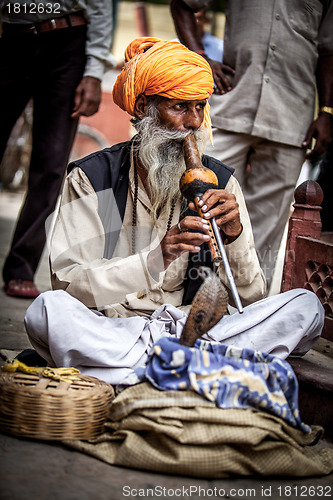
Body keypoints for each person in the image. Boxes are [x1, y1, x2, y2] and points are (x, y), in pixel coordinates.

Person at [24, 38, 324, 385]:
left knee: (305, 306)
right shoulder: (96, 178)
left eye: (200, 107)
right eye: (180, 106)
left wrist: (234, 236)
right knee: (47, 311)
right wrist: (155, 260)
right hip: (115, 327)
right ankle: (196, 372)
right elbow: (69, 285)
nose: (193, 122)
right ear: (141, 107)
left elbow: (251, 298)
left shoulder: (220, 183)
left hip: (195, 332)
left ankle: (141, 372)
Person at [170, 0, 333, 288]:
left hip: (292, 117)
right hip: (230, 106)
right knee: (199, 206)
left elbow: (329, 50)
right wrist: (199, 57)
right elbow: (183, 4)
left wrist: (328, 111)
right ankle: (187, 300)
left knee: (265, 230)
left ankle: (248, 310)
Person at [0, 0, 113, 298]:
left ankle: (21, 267)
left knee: (50, 166)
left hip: (66, 43)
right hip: (10, 36)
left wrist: (95, 70)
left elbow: (100, 7)